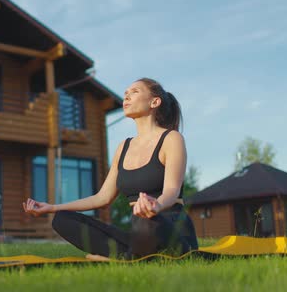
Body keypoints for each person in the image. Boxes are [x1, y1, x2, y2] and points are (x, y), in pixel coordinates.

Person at [23, 78, 198, 260]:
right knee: (62, 219)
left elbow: (172, 189)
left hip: (170, 227)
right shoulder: (124, 147)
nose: (127, 97)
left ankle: (123, 257)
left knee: (146, 222)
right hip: (139, 235)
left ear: (155, 102)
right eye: (125, 94)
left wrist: (156, 206)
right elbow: (102, 198)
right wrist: (52, 207)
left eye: (135, 92)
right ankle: (132, 256)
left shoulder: (171, 138)